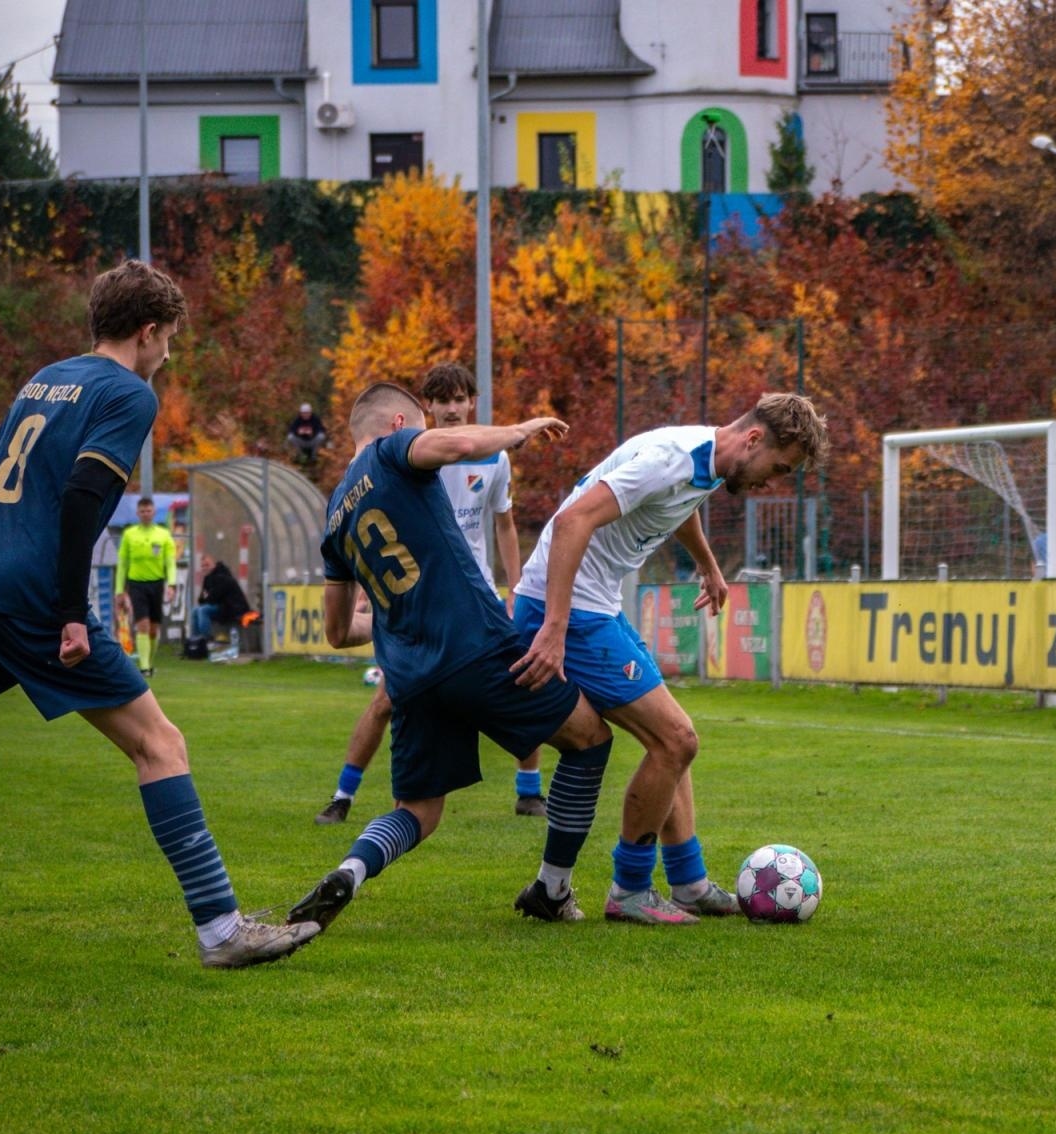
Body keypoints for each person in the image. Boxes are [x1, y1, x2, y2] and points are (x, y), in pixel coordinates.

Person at [0, 259, 317, 968]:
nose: (170, 355)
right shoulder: (127, 393)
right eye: (169, 340)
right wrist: (67, 611)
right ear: (147, 331)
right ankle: (221, 930)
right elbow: (86, 498)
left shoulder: (44, 379)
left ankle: (222, 928)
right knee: (160, 744)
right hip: (31, 594)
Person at [286, 383, 615, 934]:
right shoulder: (391, 452)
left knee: (418, 811)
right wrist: (519, 430)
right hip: (475, 648)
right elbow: (458, 446)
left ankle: (350, 870)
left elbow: (339, 632)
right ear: (398, 424)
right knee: (589, 739)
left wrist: (395, 620)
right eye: (419, 425)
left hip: (411, 677)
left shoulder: (335, 515)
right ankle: (553, 889)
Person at [510, 393, 829, 925]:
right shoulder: (670, 459)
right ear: (753, 440)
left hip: (596, 607)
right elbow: (571, 522)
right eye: (779, 468)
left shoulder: (702, 462)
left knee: (673, 742)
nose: (771, 483)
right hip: (567, 609)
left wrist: (706, 564)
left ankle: (689, 881)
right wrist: (554, 629)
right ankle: (630, 889)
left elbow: (680, 508)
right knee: (676, 739)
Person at [315, 363, 547, 824]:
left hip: (472, 592)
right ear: (427, 408)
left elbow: (504, 523)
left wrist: (516, 587)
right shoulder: (404, 453)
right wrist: (368, 593)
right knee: (386, 699)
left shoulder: (493, 458)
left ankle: (529, 791)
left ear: (471, 402)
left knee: (524, 677)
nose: (453, 407)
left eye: (461, 398)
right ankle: (344, 794)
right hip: (419, 596)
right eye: (443, 400)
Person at [115, 495, 175, 677]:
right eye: (142, 511)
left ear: (154, 512)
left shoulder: (163, 535)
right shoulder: (129, 534)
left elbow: (170, 562)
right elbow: (123, 563)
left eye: (149, 510)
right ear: (138, 513)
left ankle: (149, 661)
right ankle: (144, 668)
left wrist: (171, 584)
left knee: (154, 629)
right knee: (143, 624)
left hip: (156, 584)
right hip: (136, 584)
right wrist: (119, 590)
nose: (146, 514)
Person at [192, 554, 250, 639]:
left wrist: (207, 596)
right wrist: (207, 597)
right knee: (195, 610)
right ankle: (196, 640)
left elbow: (214, 597)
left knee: (203, 610)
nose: (205, 568)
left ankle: (206, 639)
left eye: (207, 565)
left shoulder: (222, 576)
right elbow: (201, 599)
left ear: (213, 564)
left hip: (231, 608)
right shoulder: (207, 579)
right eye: (202, 566)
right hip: (219, 606)